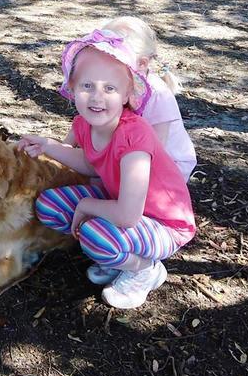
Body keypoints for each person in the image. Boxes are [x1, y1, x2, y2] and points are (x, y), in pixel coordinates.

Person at [17, 30, 196, 310]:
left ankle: (143, 269)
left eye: (109, 88)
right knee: (49, 205)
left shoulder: (134, 136)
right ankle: (115, 254)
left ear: (127, 94)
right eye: (87, 85)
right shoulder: (85, 124)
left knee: (94, 234)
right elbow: (90, 163)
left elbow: (128, 214)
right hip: (122, 208)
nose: (96, 97)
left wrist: (87, 205)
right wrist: (47, 146)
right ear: (72, 87)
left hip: (164, 223)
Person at [103, 16, 197, 181]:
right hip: (132, 150)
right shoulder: (118, 82)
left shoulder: (158, 95)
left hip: (168, 166)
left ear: (142, 64)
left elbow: (157, 147)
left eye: (114, 59)